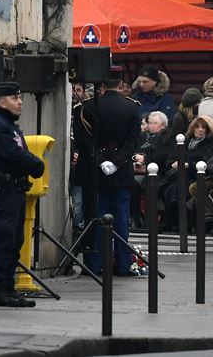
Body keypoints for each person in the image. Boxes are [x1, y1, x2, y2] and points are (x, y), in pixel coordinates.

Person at [0, 82, 46, 307]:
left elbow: (21, 150)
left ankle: (9, 288)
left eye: (20, 98)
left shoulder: (11, 125)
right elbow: (13, 153)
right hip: (5, 188)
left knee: (16, 239)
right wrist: (36, 165)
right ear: (1, 102)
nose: (20, 102)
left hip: (17, 188)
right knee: (5, 239)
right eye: (14, 98)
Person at [82, 71, 142, 277]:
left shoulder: (87, 107)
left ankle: (96, 263)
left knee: (98, 217)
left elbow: (85, 142)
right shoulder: (132, 107)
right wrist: (116, 162)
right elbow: (133, 142)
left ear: (102, 84)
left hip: (96, 171)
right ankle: (123, 264)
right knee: (122, 220)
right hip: (122, 170)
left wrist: (100, 160)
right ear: (121, 83)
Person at [69, 82, 97, 245]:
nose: (74, 93)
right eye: (72, 89)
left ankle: (79, 229)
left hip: (81, 160)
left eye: (78, 90)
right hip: (71, 157)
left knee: (79, 202)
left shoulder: (84, 110)